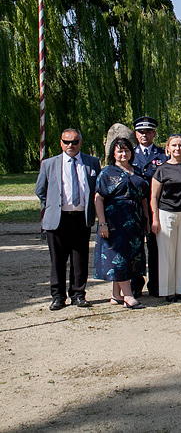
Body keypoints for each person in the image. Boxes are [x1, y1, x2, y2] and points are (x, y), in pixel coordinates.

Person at [35, 128, 100, 310]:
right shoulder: (49, 164)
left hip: (81, 218)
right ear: (61, 143)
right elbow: (40, 190)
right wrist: (53, 205)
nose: (70, 145)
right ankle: (58, 296)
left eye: (74, 142)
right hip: (58, 219)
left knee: (79, 259)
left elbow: (96, 189)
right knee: (58, 260)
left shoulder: (92, 163)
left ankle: (78, 294)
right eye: (66, 142)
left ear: (81, 142)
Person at [94, 137, 151, 310]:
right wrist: (102, 223)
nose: (123, 154)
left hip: (135, 219)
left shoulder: (138, 171)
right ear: (113, 153)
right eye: (119, 150)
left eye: (126, 150)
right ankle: (128, 296)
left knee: (132, 256)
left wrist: (147, 220)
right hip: (115, 220)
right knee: (119, 258)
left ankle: (116, 294)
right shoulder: (107, 172)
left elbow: (143, 198)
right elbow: (98, 198)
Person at [150, 134, 181, 302]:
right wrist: (155, 219)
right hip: (166, 213)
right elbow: (154, 197)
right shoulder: (161, 169)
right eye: (174, 145)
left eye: (180, 145)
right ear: (167, 148)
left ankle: (180, 289)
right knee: (167, 252)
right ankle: (167, 290)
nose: (177, 148)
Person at [131, 116, 166, 298]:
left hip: (155, 208)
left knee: (155, 248)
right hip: (134, 209)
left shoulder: (162, 155)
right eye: (141, 132)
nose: (144, 135)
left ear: (154, 133)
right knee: (135, 248)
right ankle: (135, 284)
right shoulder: (129, 154)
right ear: (136, 135)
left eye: (148, 132)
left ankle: (156, 284)